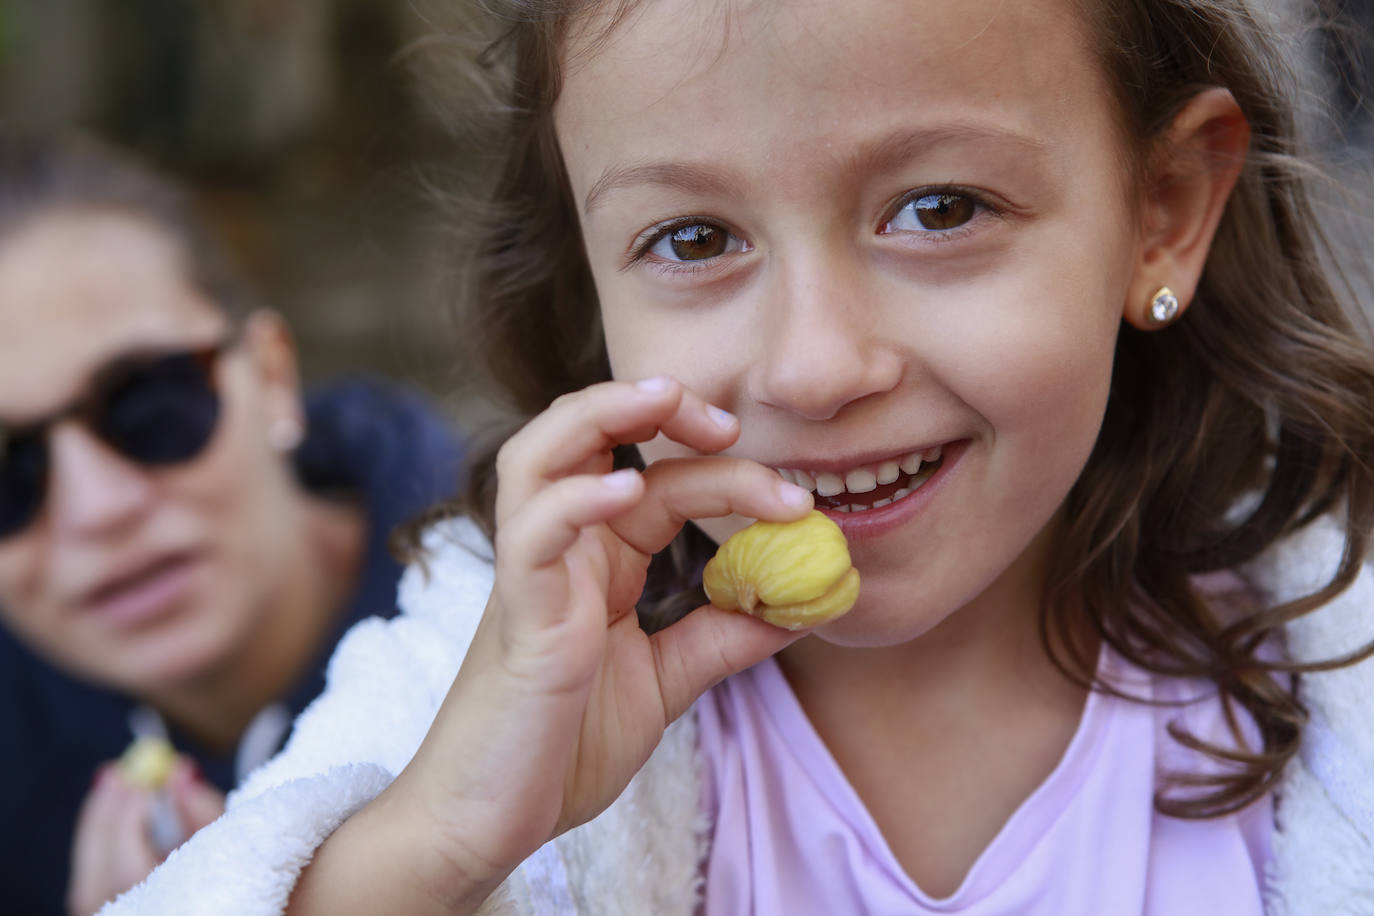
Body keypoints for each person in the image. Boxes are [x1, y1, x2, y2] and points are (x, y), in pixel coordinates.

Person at [105, 0, 1374, 913]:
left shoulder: (1342, 670)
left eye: (939, 210)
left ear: (1163, 210)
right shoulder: (483, 657)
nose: (814, 369)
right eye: (697, 237)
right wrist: (442, 838)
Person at [0, 131, 464, 915]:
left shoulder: (536, 613)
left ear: (274, 376)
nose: (99, 509)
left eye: (149, 403)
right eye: (10, 472)